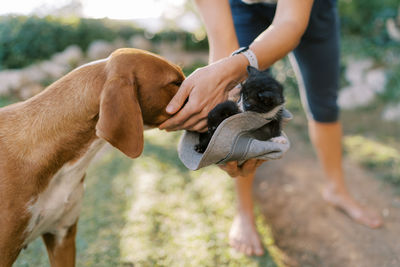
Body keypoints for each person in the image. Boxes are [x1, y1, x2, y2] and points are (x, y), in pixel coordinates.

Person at [159, 0, 383, 256]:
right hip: (243, 9)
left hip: (312, 9)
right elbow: (224, 51)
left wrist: (237, 65)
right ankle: (244, 212)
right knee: (240, 102)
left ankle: (337, 190)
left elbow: (290, 23)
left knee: (324, 102)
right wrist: (225, 93)